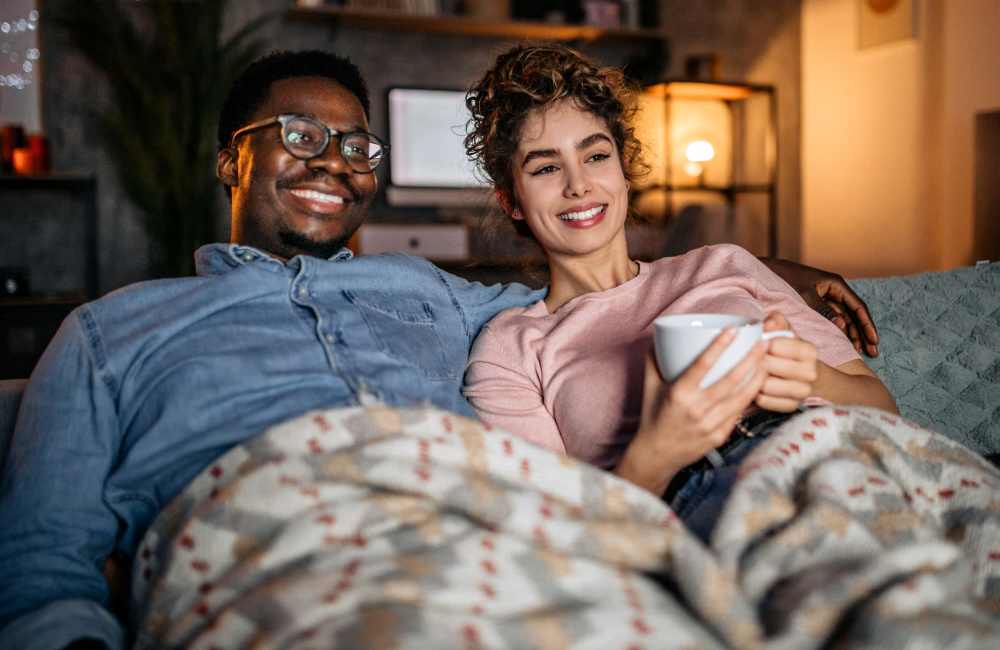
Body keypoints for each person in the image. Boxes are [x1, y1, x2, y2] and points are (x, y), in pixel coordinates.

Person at [0, 49, 878, 649]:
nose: (334, 162)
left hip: (472, 518)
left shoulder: (447, 299)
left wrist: (775, 267)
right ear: (231, 163)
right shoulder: (111, 330)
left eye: (356, 146)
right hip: (267, 527)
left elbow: (606, 285)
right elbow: (39, 563)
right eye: (299, 136)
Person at [461, 44, 897, 540]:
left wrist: (810, 377)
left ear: (623, 169)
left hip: (847, 462)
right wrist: (658, 450)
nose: (578, 185)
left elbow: (881, 407)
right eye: (545, 168)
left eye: (596, 156)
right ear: (511, 200)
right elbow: (556, 533)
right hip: (713, 510)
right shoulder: (512, 348)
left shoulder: (725, 265)